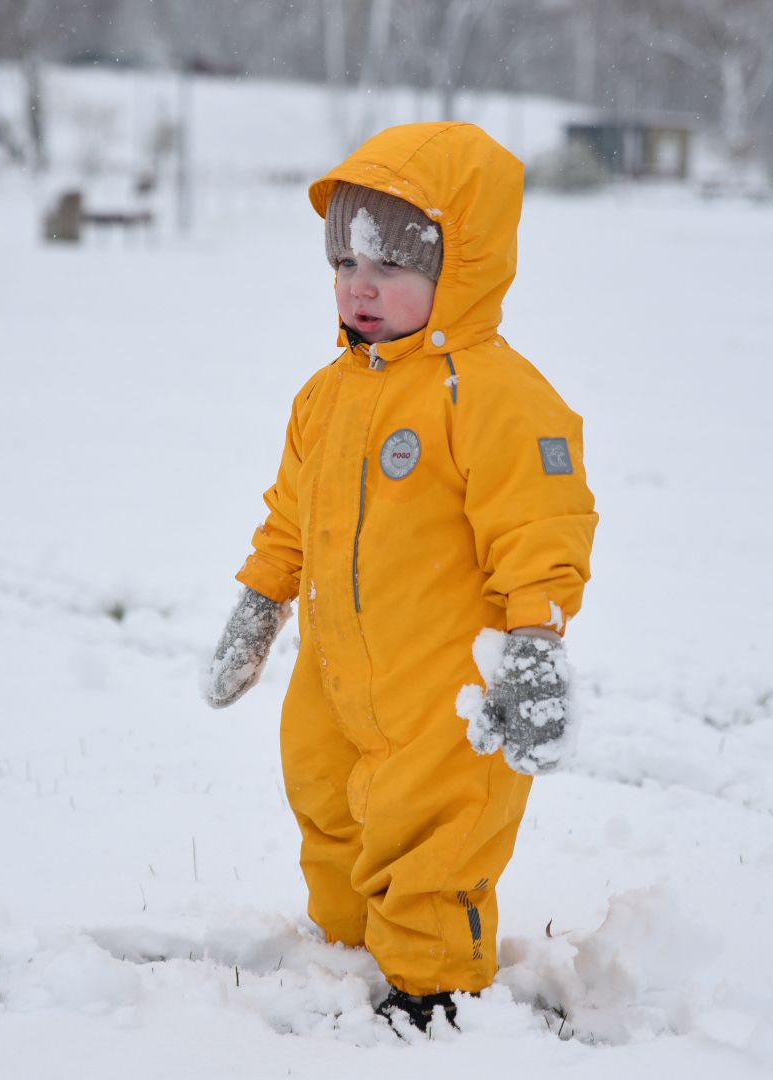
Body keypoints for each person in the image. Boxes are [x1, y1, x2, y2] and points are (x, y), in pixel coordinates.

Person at [202, 121, 597, 1034]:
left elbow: (541, 523)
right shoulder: (327, 394)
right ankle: (348, 957)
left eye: (390, 264)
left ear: (461, 267)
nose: (361, 285)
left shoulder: (494, 394)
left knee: (434, 840)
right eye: (345, 262)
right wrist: (260, 602)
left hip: (441, 696)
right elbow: (291, 514)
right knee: (326, 808)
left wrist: (534, 644)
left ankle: (435, 997)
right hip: (336, 680)